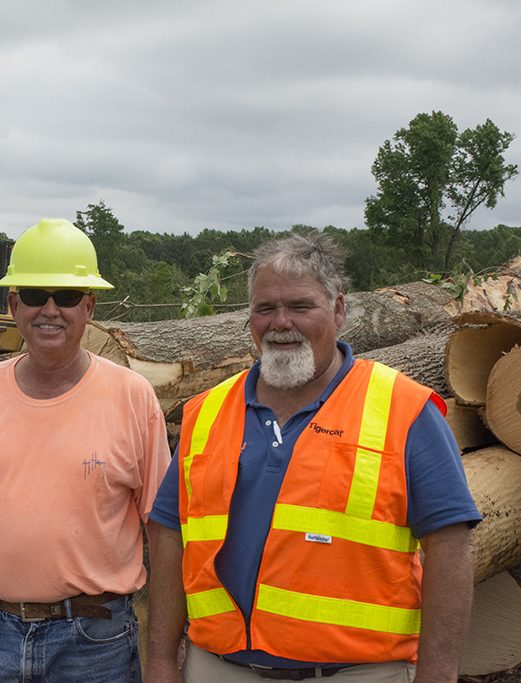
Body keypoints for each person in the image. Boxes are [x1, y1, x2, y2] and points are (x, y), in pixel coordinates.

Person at [145, 233, 482, 683]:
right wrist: (164, 661)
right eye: (265, 309)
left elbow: (451, 546)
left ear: (339, 310)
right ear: (250, 319)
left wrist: (438, 674)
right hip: (218, 667)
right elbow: (168, 531)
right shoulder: (207, 412)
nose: (281, 322)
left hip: (361, 672)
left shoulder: (403, 409)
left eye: (301, 306)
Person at [0, 218, 171, 682]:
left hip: (94, 645)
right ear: (14, 304)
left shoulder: (133, 397)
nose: (50, 310)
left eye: (67, 296)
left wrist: (160, 654)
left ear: (90, 306)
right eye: (35, 295)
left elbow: (162, 531)